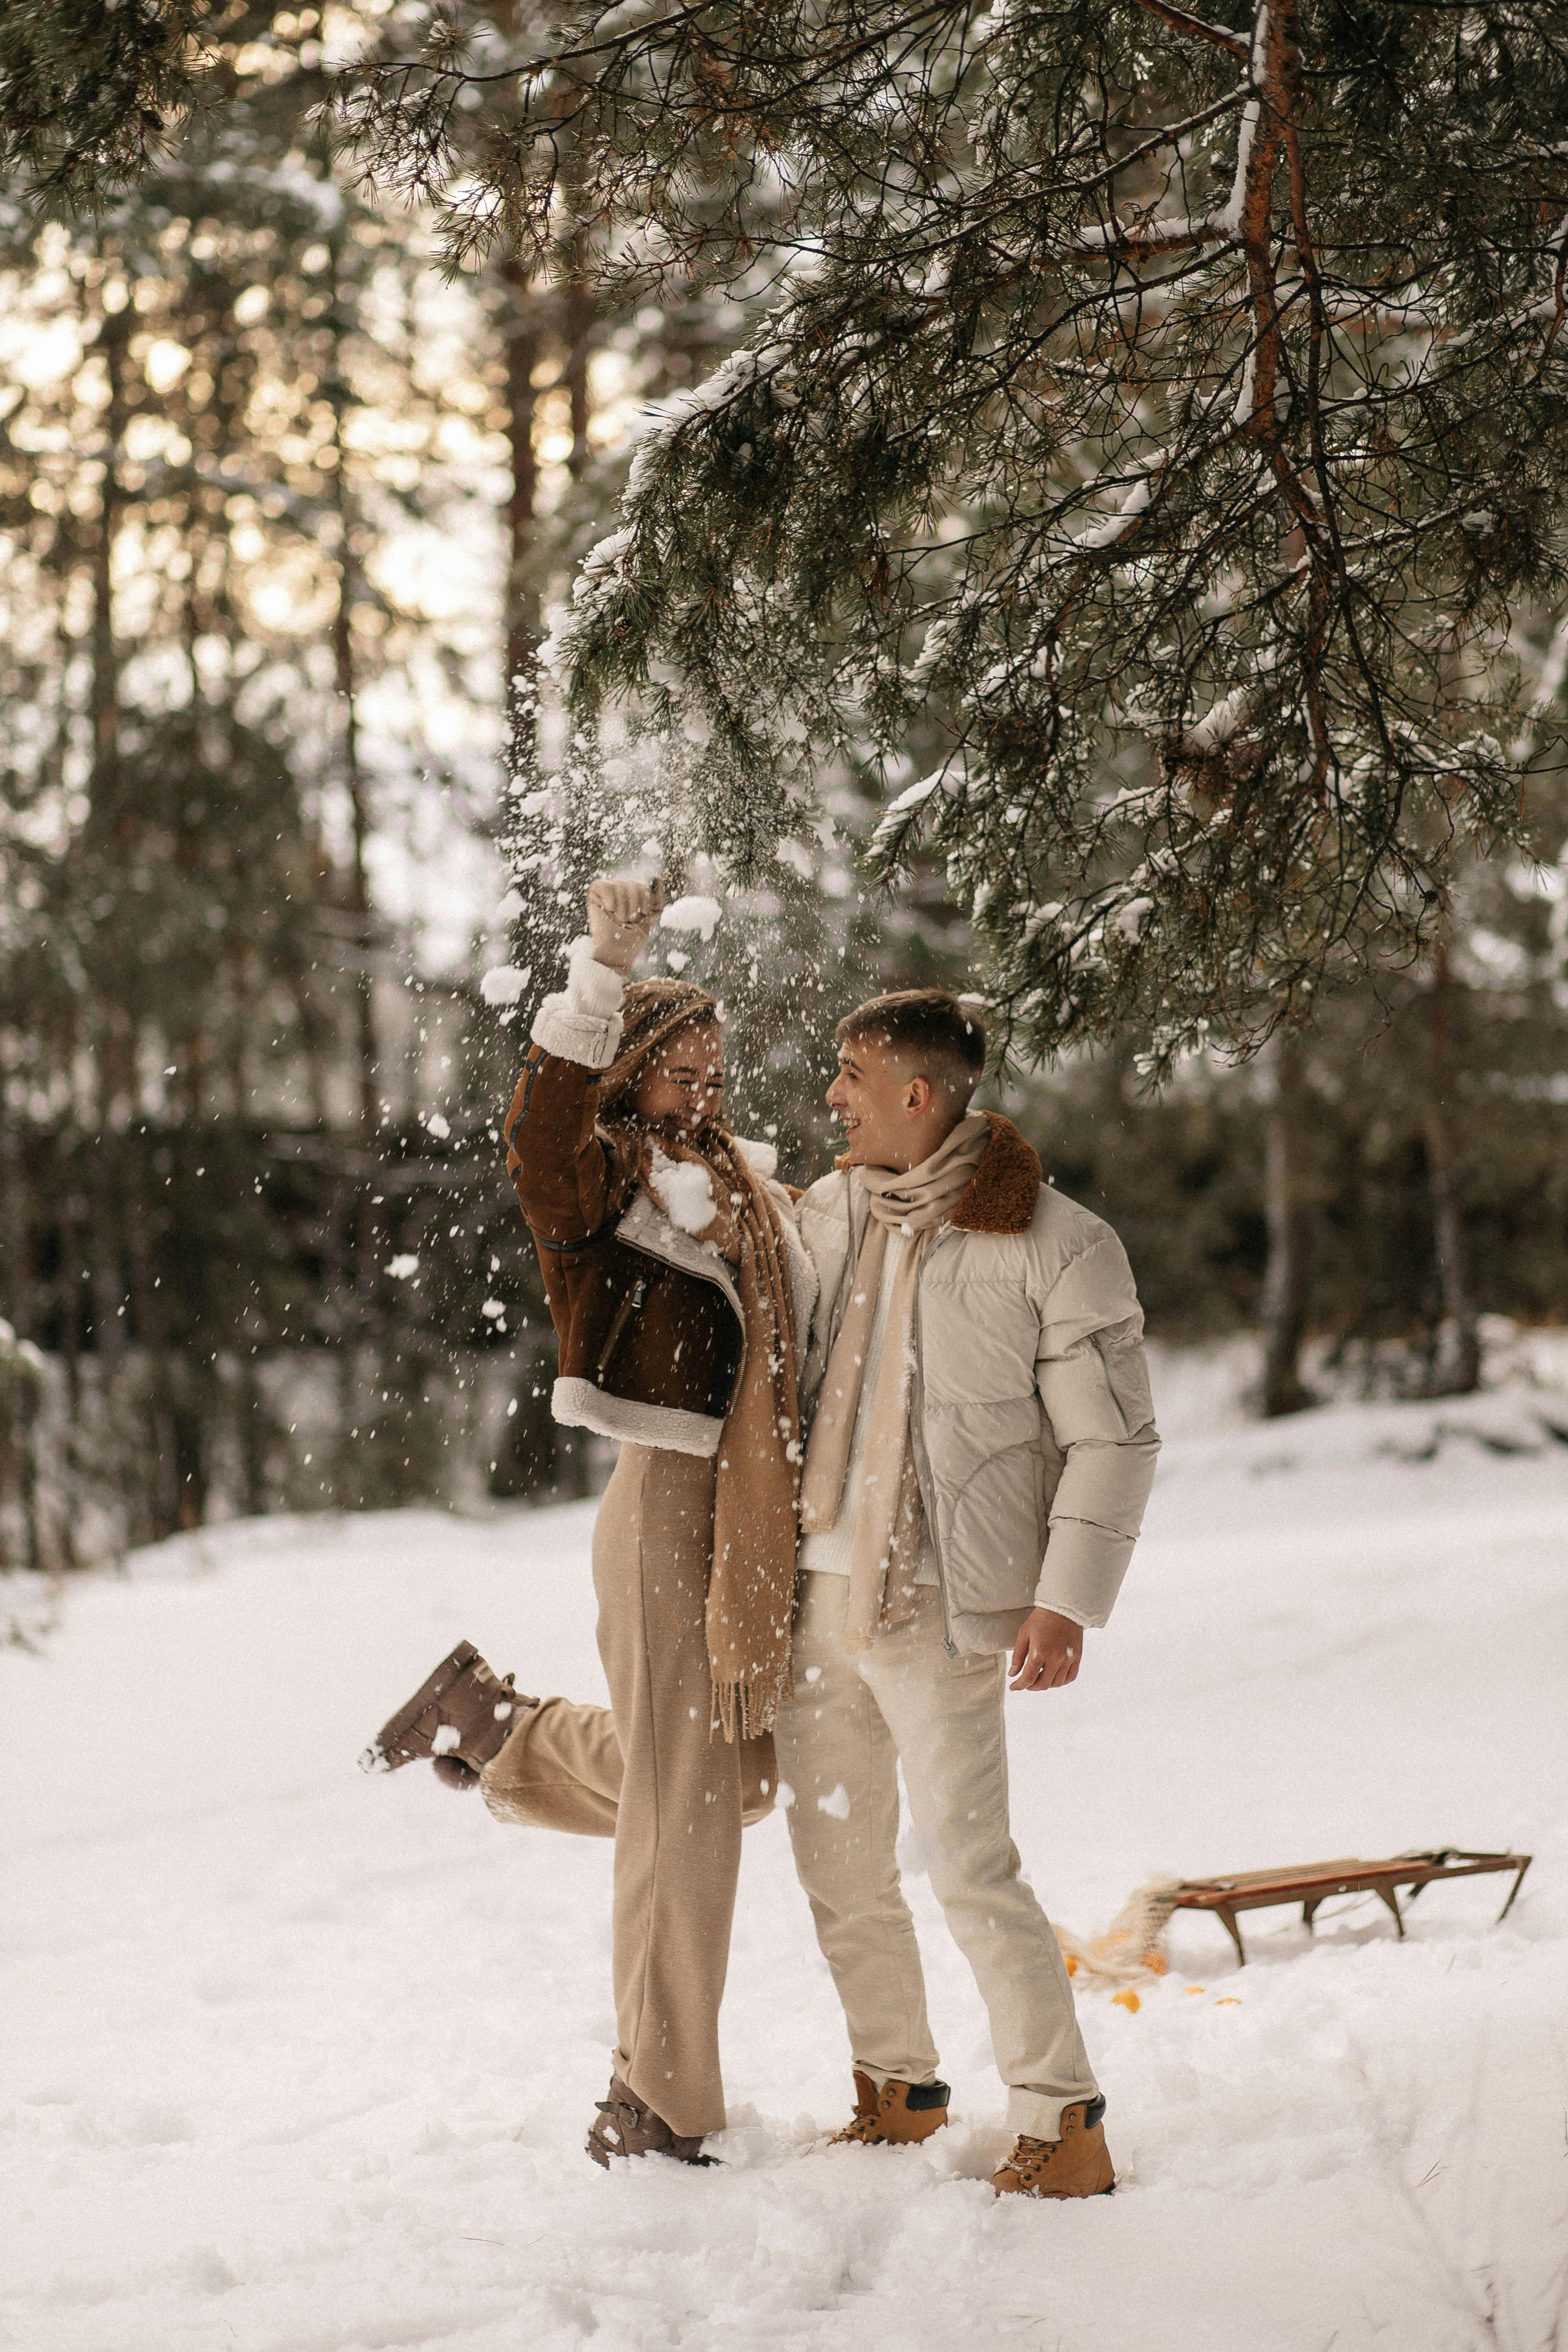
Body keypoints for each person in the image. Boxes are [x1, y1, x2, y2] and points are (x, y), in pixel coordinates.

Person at [360, 877, 816, 2169]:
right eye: (680, 1071)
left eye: (715, 1069)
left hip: (745, 1519)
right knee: (687, 1812)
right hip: (665, 1512)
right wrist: (602, 972)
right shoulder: (604, 1184)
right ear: (628, 1074)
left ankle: (497, 1730)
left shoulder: (735, 1185)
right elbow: (539, 1140)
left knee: (737, 1780)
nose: (705, 1091)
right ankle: (656, 2096)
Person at [776, 988, 1160, 2198]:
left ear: (917, 1094)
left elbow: (1115, 1444)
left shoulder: (1056, 1241)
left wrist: (1067, 1599)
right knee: (840, 1864)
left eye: (850, 1076)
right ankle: (898, 2088)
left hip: (942, 1603)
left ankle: (1064, 2118)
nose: (831, 1097)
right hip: (817, 1588)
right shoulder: (828, 1210)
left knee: (972, 1869)